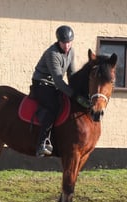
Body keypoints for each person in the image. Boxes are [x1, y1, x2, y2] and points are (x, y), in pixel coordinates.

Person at [30, 25, 90, 157]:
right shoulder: (52, 54)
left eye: (69, 42)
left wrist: (79, 92)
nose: (67, 46)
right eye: (64, 43)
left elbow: (72, 75)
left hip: (55, 86)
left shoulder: (71, 52)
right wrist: (74, 95)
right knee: (54, 106)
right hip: (42, 84)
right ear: (59, 41)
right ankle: (42, 143)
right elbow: (58, 81)